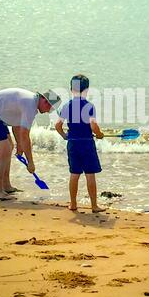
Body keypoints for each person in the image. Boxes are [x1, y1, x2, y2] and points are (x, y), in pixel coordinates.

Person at [0, 88, 61, 200]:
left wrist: (19, 146)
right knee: (4, 150)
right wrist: (30, 162)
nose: (47, 112)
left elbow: (17, 125)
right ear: (45, 101)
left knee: (9, 147)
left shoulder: (31, 103)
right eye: (50, 109)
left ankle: (6, 186)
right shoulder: (30, 104)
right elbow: (25, 136)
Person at [55, 75, 106, 213]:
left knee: (74, 173)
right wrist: (100, 134)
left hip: (73, 144)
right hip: (87, 143)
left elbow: (58, 125)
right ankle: (94, 206)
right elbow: (93, 125)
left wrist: (65, 136)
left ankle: (73, 204)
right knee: (90, 174)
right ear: (87, 90)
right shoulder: (89, 106)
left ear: (71, 89)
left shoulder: (66, 106)